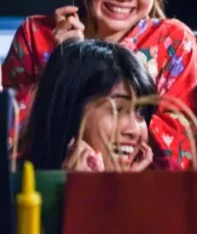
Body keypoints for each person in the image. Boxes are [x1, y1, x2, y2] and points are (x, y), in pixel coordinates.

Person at [2, 0, 197, 168]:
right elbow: (1, 136)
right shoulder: (36, 36)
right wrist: (65, 65)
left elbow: (183, 151)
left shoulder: (174, 44)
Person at [22, 39, 157, 172]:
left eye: (141, 112)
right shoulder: (16, 181)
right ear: (70, 112)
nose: (134, 130)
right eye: (118, 109)